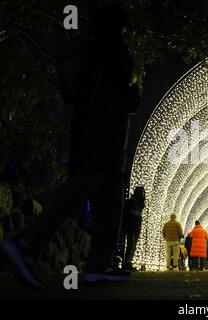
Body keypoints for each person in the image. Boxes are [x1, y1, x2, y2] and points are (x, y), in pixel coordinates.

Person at [0, 4, 139, 287]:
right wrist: (129, 97)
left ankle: (99, 263)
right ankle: (26, 243)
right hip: (98, 138)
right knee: (84, 185)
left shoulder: (99, 47)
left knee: (111, 196)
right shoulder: (104, 49)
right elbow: (106, 95)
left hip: (105, 140)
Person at [120, 186, 145, 271]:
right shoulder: (131, 202)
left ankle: (128, 262)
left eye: (143, 192)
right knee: (130, 244)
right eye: (141, 192)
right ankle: (126, 263)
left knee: (133, 245)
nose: (143, 194)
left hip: (137, 226)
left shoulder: (140, 203)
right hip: (131, 226)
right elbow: (126, 213)